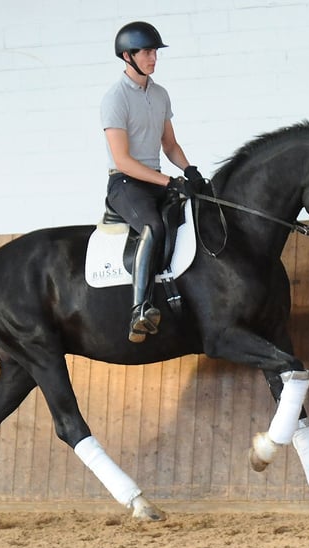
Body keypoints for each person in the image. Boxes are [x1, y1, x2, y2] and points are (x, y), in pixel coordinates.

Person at [101, 21, 205, 343]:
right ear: (127, 55)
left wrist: (190, 171)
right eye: (147, 52)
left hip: (157, 181)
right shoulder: (114, 99)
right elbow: (123, 161)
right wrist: (168, 181)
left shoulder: (160, 94)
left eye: (155, 52)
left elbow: (169, 145)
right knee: (153, 227)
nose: (153, 58)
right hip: (125, 185)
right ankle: (139, 309)